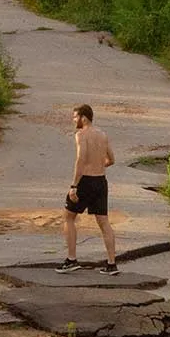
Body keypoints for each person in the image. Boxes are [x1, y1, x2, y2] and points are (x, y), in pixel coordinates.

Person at [59, 103, 118, 274]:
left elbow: (81, 159)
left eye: (75, 117)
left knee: (68, 217)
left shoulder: (81, 134)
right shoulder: (102, 135)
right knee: (104, 222)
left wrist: (74, 186)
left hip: (85, 181)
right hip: (101, 181)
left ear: (84, 118)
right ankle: (112, 264)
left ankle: (71, 260)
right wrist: (98, 166)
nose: (74, 120)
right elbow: (111, 160)